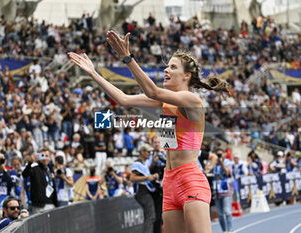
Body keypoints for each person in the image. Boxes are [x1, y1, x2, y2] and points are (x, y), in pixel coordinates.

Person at [68, 29, 229, 232]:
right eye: (166, 66)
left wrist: (127, 58)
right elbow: (123, 99)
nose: (166, 70)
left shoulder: (192, 100)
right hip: (169, 182)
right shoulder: (164, 102)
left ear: (187, 75)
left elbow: (151, 90)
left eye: (172, 67)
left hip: (190, 180)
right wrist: (93, 73)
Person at [130, 144, 158, 233]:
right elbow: (132, 178)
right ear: (142, 152)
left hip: (145, 191)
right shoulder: (137, 163)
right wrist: (147, 178)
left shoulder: (143, 164)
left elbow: (145, 174)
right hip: (142, 191)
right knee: (150, 216)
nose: (150, 153)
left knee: (149, 216)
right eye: (148, 152)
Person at [22, 148, 58, 214]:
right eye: (42, 156)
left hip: (51, 204)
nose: (45, 158)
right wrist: (30, 162)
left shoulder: (50, 170)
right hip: (39, 206)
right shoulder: (34, 168)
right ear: (39, 157)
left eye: (47, 156)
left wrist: (55, 203)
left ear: (50, 158)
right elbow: (25, 174)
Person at [212, 148, 233, 233]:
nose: (219, 156)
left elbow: (227, 173)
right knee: (220, 214)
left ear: (224, 154)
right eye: (218, 155)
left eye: (220, 154)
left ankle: (230, 229)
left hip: (226, 190)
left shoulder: (227, 162)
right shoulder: (214, 163)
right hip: (217, 191)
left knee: (227, 211)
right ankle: (224, 230)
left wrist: (221, 163)